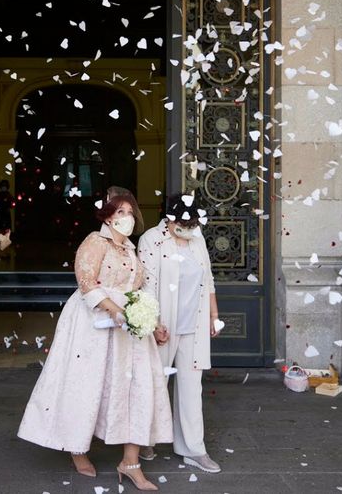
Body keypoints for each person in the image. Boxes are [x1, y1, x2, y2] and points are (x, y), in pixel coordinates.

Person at [18, 193, 173, 491]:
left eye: (131, 211)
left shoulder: (131, 249)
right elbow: (86, 282)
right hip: (93, 325)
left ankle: (131, 462)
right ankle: (77, 447)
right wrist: (118, 312)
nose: (126, 216)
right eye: (120, 211)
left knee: (136, 388)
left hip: (129, 330)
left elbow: (138, 291)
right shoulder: (94, 242)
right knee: (86, 385)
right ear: (108, 215)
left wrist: (152, 325)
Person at [137, 192, 221, 474]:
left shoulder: (197, 239)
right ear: (169, 220)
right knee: (155, 382)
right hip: (164, 325)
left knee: (191, 387)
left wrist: (213, 315)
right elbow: (147, 283)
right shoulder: (151, 239)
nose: (188, 229)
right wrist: (154, 323)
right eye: (183, 224)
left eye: (193, 224)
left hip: (193, 325)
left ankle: (194, 449)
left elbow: (207, 278)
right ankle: (145, 440)